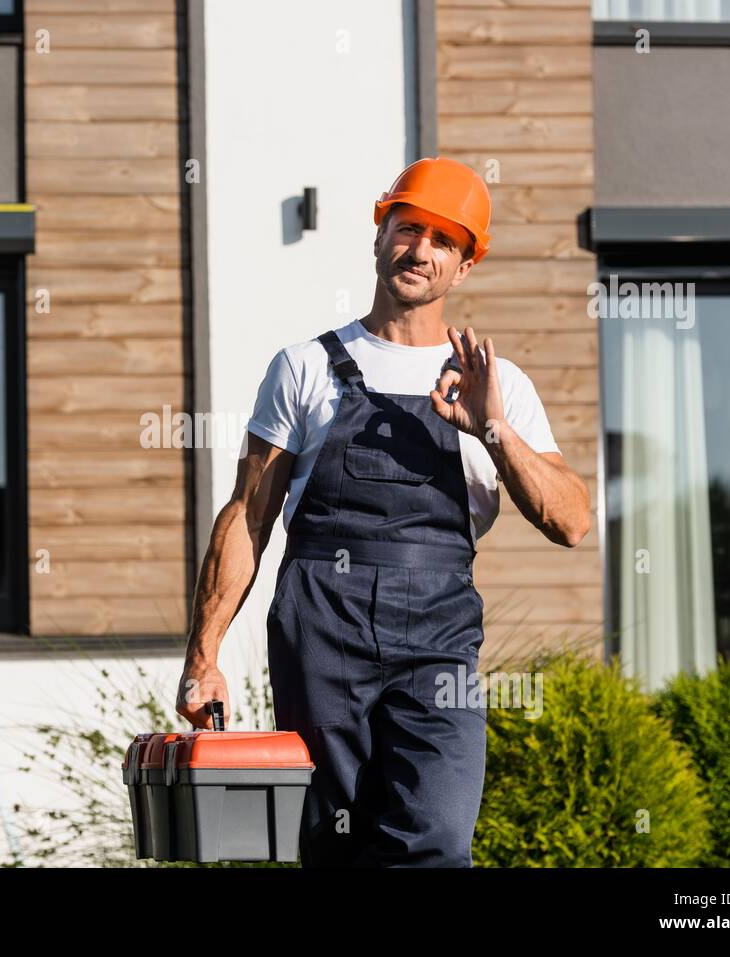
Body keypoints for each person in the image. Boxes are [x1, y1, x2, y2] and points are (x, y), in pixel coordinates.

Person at [176, 157, 592, 866]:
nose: (420, 249)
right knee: (334, 843)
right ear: (379, 236)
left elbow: (571, 520)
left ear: (464, 267)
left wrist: (492, 428)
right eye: (408, 228)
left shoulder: (498, 384)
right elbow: (248, 516)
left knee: (437, 835)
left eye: (443, 240)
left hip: (438, 633)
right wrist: (203, 653)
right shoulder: (305, 368)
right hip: (321, 626)